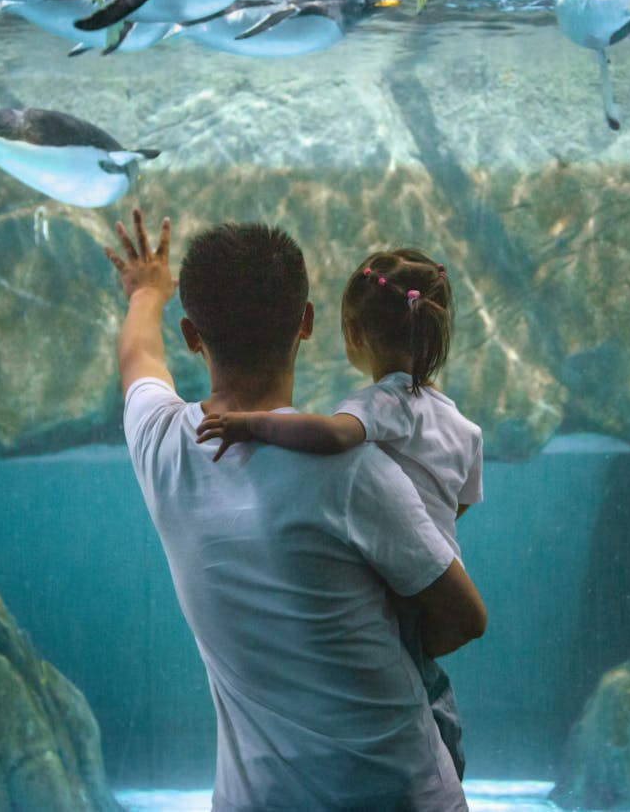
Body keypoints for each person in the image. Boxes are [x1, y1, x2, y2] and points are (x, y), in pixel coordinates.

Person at [106, 208, 487, 811]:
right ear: (306, 322)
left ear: (193, 335)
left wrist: (146, 291)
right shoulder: (356, 473)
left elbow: (138, 362)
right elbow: (466, 618)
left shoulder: (163, 449)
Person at [194, 248, 482, 778]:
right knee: (429, 689)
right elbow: (460, 500)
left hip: (393, 589)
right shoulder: (464, 427)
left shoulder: (380, 404)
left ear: (354, 333)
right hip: (428, 580)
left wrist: (253, 423)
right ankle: (446, 768)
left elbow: (332, 437)